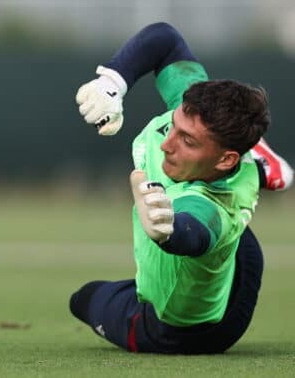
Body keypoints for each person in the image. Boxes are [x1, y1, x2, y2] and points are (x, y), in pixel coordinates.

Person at [70, 21, 292, 354]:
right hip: (236, 258)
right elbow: (165, 39)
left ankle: (255, 159)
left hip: (182, 329)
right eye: (175, 125)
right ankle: (255, 155)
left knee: (83, 299)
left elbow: (196, 232)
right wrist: (112, 82)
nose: (166, 144)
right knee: (227, 244)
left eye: (187, 140)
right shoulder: (195, 109)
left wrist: (168, 230)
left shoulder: (216, 206)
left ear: (224, 160)